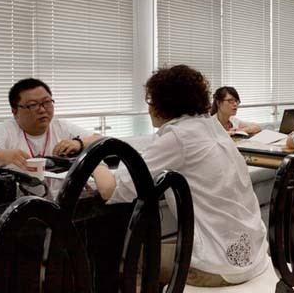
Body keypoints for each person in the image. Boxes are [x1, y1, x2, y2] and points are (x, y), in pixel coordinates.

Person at [93, 65, 268, 287]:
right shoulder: (212, 127)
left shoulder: (178, 136)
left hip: (219, 267)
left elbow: (110, 189)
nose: (148, 108)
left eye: (151, 101)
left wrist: (95, 158)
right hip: (254, 253)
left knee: (130, 258)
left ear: (163, 104)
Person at [0, 78, 102, 171]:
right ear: (15, 111)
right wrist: (2, 156)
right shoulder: (3, 132)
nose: (42, 110)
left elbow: (101, 140)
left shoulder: (61, 126)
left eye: (46, 102)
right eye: (33, 105)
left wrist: (79, 143)